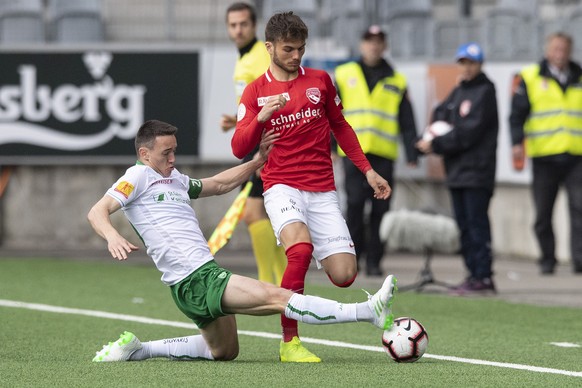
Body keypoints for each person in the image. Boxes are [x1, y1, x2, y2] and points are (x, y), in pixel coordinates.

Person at [87, 119, 397, 363]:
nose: (173, 157)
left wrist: (258, 162)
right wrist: (113, 235)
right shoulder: (137, 176)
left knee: (224, 351)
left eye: (174, 150)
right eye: (166, 152)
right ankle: (368, 311)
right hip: (197, 277)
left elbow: (218, 184)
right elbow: (97, 211)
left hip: (192, 281)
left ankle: (139, 350)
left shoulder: (174, 178)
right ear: (144, 154)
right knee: (278, 296)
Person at [231, 12, 393, 363]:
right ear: (269, 47)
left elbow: (342, 127)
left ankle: (288, 297)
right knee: (300, 251)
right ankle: (289, 342)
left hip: (321, 190)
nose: (296, 56)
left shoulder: (320, 81)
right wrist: (260, 119)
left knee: (345, 275)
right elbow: (238, 147)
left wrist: (367, 171)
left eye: (301, 49)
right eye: (288, 49)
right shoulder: (256, 91)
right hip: (281, 186)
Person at [334, 25, 418, 277]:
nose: (374, 45)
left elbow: (407, 118)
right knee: (355, 206)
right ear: (361, 44)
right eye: (369, 40)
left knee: (381, 210)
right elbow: (331, 115)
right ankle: (355, 258)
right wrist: (328, 148)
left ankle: (375, 261)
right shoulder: (344, 73)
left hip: (383, 154)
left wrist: (411, 153)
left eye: (378, 41)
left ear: (385, 45)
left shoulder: (397, 80)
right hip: (352, 154)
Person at [416, 42, 498, 295]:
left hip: (477, 172)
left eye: (471, 63)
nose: (467, 67)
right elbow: (441, 114)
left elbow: (468, 133)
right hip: (457, 172)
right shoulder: (459, 90)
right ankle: (472, 274)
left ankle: (483, 276)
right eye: (463, 62)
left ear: (480, 64)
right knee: (464, 226)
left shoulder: (485, 91)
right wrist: (429, 140)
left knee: (476, 225)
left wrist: (437, 143)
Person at [220, 2, 287, 285]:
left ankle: (271, 281)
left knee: (254, 212)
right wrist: (237, 122)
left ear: (253, 26)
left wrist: (263, 151)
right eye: (233, 25)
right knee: (259, 213)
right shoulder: (245, 57)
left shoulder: (260, 56)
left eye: (243, 24)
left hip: (263, 143)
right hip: (254, 138)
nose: (238, 30)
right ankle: (280, 281)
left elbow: (274, 97)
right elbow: (255, 102)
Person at [509, 32, 582, 275]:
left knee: (579, 209)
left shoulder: (579, 76)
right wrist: (517, 141)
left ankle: (579, 260)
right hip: (544, 157)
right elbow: (517, 114)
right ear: (548, 51)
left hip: (575, 155)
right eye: (556, 49)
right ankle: (547, 259)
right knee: (543, 214)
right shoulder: (530, 77)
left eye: (564, 49)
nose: (560, 54)